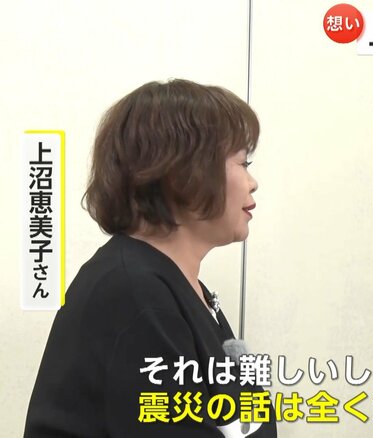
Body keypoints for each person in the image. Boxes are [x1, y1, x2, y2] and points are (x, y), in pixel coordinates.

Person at [24, 79, 276, 437]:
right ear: (182, 173)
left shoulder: (174, 288)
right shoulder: (132, 294)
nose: (252, 182)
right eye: (242, 162)